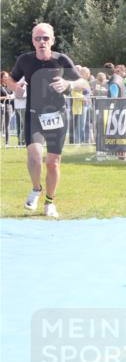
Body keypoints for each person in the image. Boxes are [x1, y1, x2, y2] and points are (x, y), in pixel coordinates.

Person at [7, 22, 90, 217]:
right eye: (38, 38)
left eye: (45, 38)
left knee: (53, 163)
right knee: (34, 156)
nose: (42, 42)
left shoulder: (61, 60)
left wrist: (68, 84)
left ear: (52, 40)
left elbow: (84, 82)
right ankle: (36, 188)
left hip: (57, 116)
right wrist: (15, 88)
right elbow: (9, 79)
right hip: (33, 115)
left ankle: (49, 202)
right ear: (33, 41)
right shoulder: (25, 60)